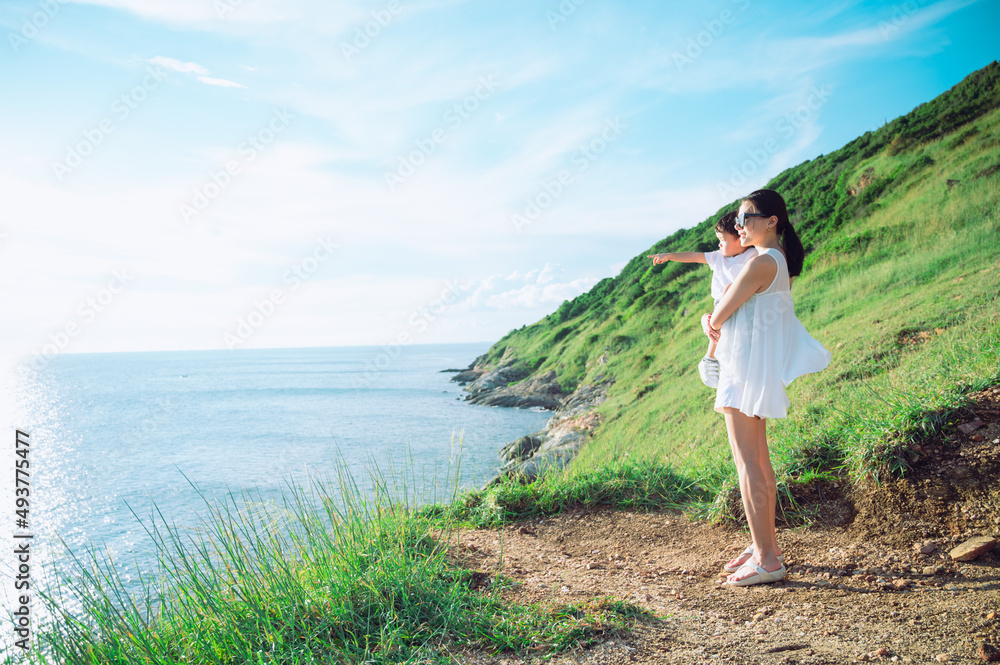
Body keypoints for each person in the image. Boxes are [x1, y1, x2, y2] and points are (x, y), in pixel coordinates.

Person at [703, 189, 831, 587]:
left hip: (742, 372)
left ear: (771, 221)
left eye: (746, 218)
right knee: (758, 461)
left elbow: (720, 315)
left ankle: (768, 559)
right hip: (752, 369)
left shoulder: (762, 263)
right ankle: (763, 544)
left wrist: (708, 317)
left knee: (748, 464)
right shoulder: (776, 261)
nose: (739, 226)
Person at [648, 212, 756, 389]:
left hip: (741, 300)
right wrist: (669, 255)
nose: (719, 244)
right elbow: (693, 256)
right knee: (718, 332)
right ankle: (710, 358)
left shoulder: (752, 254)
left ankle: (716, 360)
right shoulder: (717, 257)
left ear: (740, 238)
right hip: (721, 303)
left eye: (723, 239)